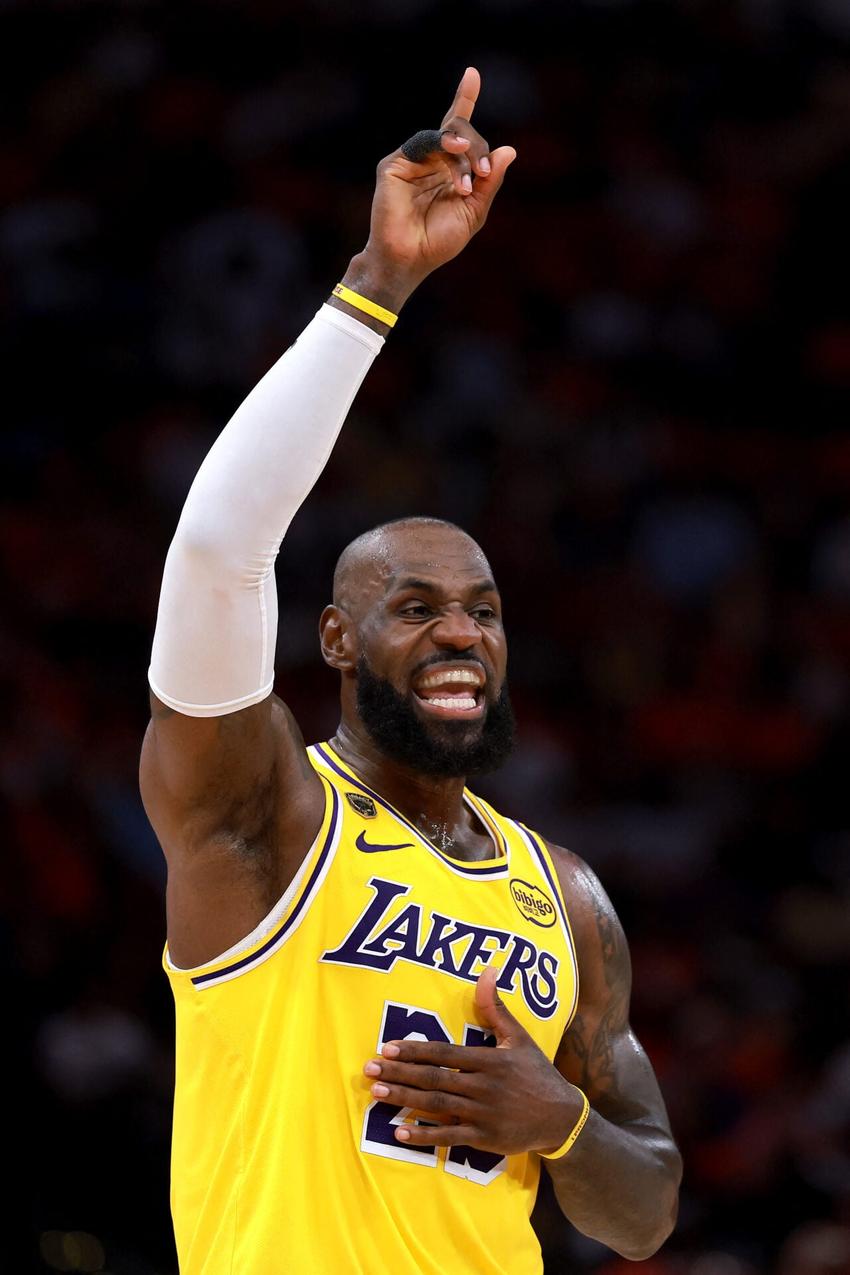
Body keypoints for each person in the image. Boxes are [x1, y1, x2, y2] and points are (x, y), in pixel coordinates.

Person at [141, 67, 682, 1275]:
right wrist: (380, 283)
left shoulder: (566, 897)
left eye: (485, 614)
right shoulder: (265, 820)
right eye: (420, 608)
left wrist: (561, 1123)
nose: (463, 636)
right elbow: (219, 548)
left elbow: (644, 1206)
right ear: (335, 640)